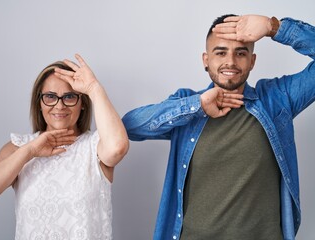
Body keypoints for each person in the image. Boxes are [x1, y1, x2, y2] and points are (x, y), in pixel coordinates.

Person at [122, 14, 315, 240]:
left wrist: (274, 27)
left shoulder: (276, 99)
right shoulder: (187, 105)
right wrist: (197, 105)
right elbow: (130, 125)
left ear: (252, 61)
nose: (230, 62)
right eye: (220, 52)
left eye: (241, 53)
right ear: (206, 60)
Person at [0, 54, 129, 239]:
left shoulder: (95, 147)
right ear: (39, 103)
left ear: (83, 104)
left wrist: (93, 88)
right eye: (50, 97)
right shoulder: (19, 148)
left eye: (69, 97)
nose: (59, 106)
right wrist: (30, 151)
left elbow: (118, 147)